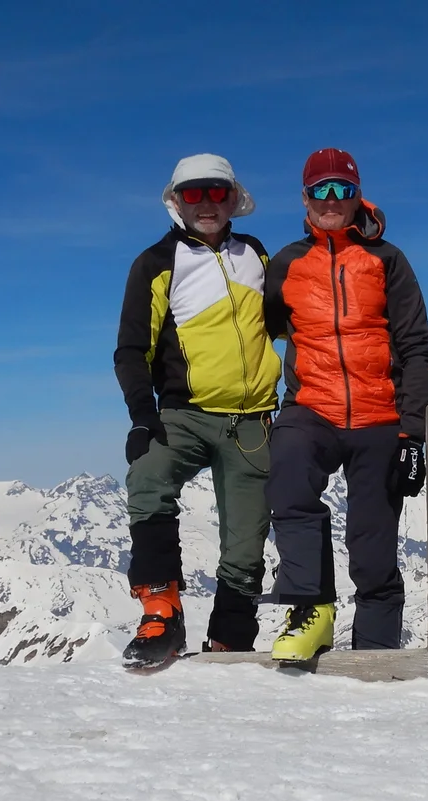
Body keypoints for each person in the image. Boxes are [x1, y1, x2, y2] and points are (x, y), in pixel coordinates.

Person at [261, 148, 428, 662]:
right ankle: (311, 609)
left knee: (372, 540)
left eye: (341, 189)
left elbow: (415, 344)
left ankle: (376, 652)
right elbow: (263, 329)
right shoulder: (287, 263)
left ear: (357, 194)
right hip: (311, 405)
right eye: (321, 190)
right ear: (305, 198)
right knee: (289, 478)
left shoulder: (387, 260)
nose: (331, 200)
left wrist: (413, 431)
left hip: (379, 413)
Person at [111, 153, 282, 669]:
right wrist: (143, 415)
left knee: (246, 543)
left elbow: (289, 323)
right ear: (176, 201)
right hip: (182, 415)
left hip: (251, 420)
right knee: (148, 477)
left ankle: (230, 636)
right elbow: (130, 349)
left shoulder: (256, 255)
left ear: (232, 198)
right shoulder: (156, 263)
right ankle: (160, 609)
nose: (206, 203)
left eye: (216, 192)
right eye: (193, 193)